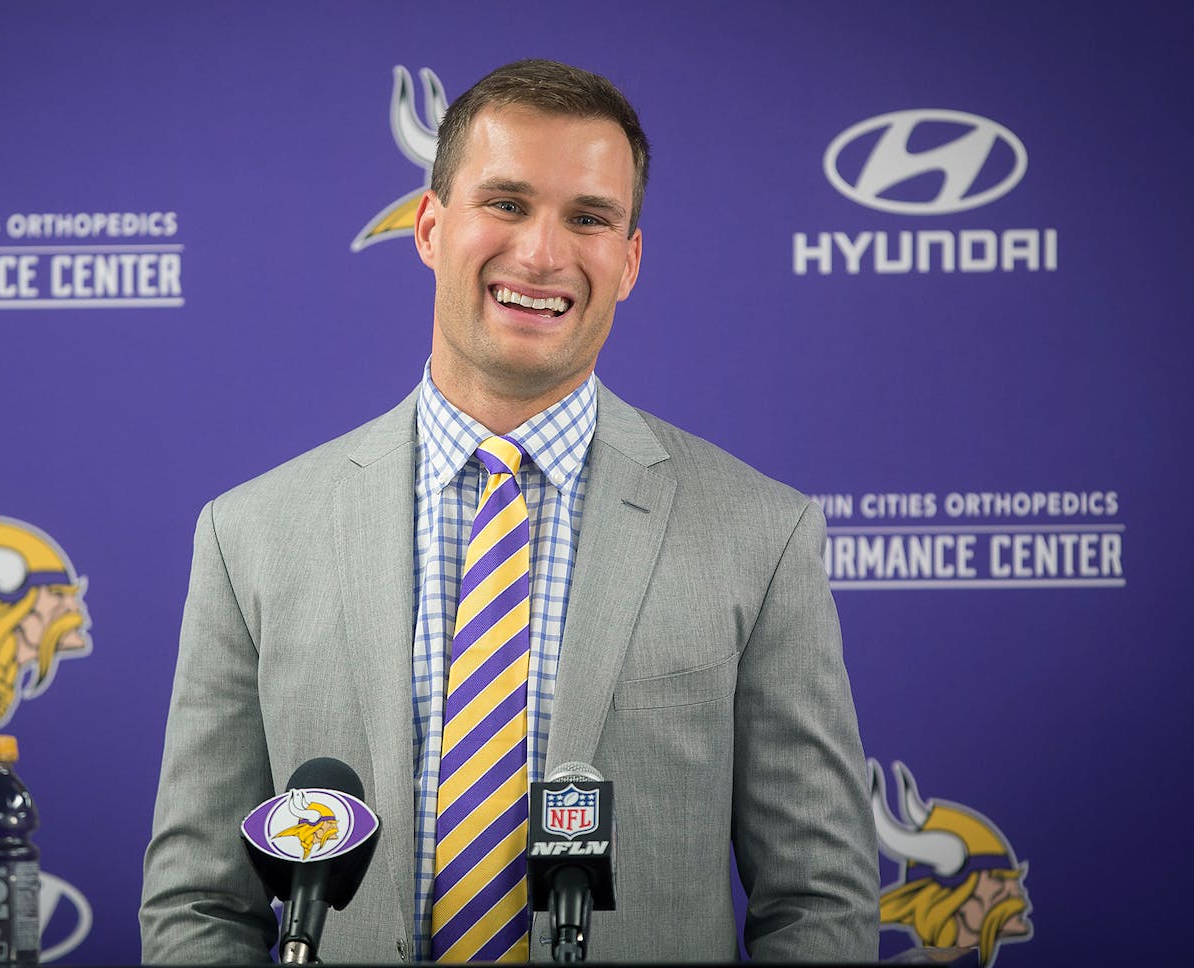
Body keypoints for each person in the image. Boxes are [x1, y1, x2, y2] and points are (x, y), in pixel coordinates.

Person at [140, 59, 878, 964]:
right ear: (428, 227)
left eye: (590, 218)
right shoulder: (247, 536)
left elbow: (818, 900)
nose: (541, 253)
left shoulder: (763, 537)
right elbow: (200, 903)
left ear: (630, 261)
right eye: (507, 203)